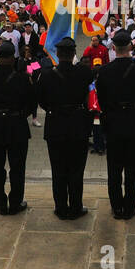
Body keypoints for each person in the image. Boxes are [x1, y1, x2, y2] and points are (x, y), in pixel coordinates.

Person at [36, 37, 96, 220]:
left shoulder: (46, 75)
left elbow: (41, 101)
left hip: (55, 125)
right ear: (73, 54)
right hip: (78, 125)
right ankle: (76, 206)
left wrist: (55, 110)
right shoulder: (85, 73)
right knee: (77, 170)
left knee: (58, 169)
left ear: (58, 54)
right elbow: (91, 96)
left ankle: (61, 207)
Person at [0, 39, 36, 214]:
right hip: (16, 124)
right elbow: (31, 103)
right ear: (13, 58)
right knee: (17, 167)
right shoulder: (23, 78)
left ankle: (0, 202)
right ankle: (16, 202)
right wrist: (18, 115)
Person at [95, 29, 135, 218]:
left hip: (114, 119)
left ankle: (117, 206)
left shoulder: (105, 71)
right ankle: (129, 207)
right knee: (133, 168)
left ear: (114, 48)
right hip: (133, 118)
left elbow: (101, 99)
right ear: (131, 47)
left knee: (114, 168)